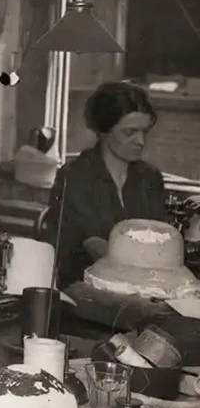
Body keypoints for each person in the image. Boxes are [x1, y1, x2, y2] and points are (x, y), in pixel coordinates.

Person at [45, 81, 170, 288]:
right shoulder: (76, 176)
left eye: (144, 131)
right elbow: (94, 246)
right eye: (130, 132)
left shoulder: (150, 178)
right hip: (84, 287)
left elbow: (160, 241)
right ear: (104, 131)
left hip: (143, 286)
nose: (140, 141)